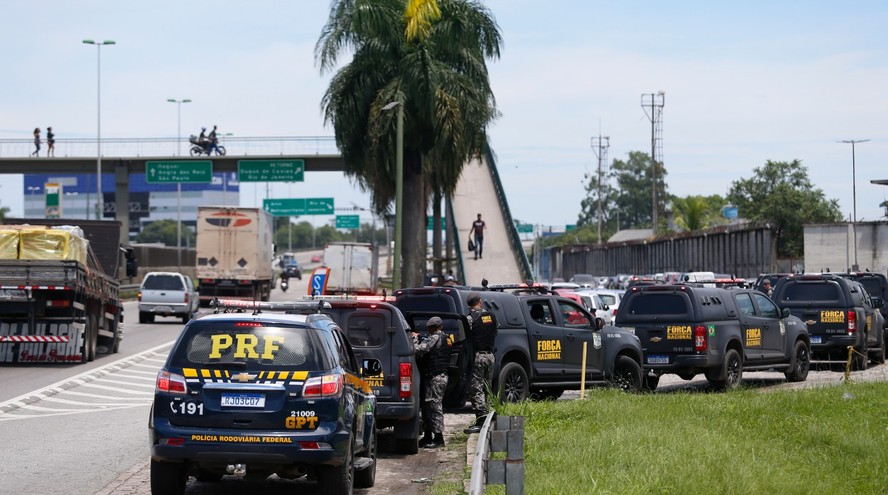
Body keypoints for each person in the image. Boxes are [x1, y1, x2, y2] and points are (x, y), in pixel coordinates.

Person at [412, 316, 450, 448]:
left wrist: (414, 338)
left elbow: (419, 349)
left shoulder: (435, 337)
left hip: (436, 378)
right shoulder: (445, 337)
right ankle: (428, 436)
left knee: (435, 407)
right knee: (428, 406)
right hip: (436, 377)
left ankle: (439, 438)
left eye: (429, 329)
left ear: (433, 328)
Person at [464, 291, 498, 434]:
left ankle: (481, 420)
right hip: (490, 355)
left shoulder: (469, 319)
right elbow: (495, 331)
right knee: (487, 386)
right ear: (480, 301)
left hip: (478, 356)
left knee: (476, 388)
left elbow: (465, 337)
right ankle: (490, 416)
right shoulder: (491, 316)